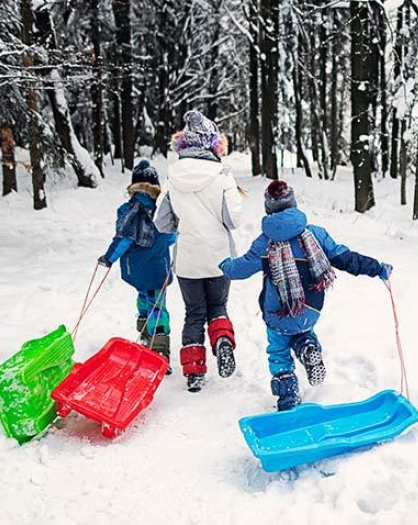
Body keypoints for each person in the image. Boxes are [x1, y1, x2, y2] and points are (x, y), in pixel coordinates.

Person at [219, 180, 392, 411]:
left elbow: (241, 268)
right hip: (309, 309)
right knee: (302, 331)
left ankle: (287, 395)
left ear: (268, 209)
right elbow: (346, 258)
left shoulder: (264, 243)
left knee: (279, 352)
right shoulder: (316, 234)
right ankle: (308, 347)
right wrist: (377, 267)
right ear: (293, 203)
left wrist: (223, 265)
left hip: (276, 312)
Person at [155, 110, 243, 392]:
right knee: (217, 306)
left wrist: (185, 220)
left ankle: (194, 373)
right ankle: (223, 342)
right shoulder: (222, 175)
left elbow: (162, 222)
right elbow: (234, 219)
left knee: (194, 312)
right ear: (213, 143)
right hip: (219, 258)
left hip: (188, 261)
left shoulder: (172, 177)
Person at [98, 159, 176, 373]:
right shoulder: (163, 210)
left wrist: (108, 258)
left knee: (143, 299)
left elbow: (122, 239)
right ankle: (159, 349)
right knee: (157, 306)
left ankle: (145, 335)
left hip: (136, 270)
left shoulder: (127, 210)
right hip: (159, 268)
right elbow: (171, 239)